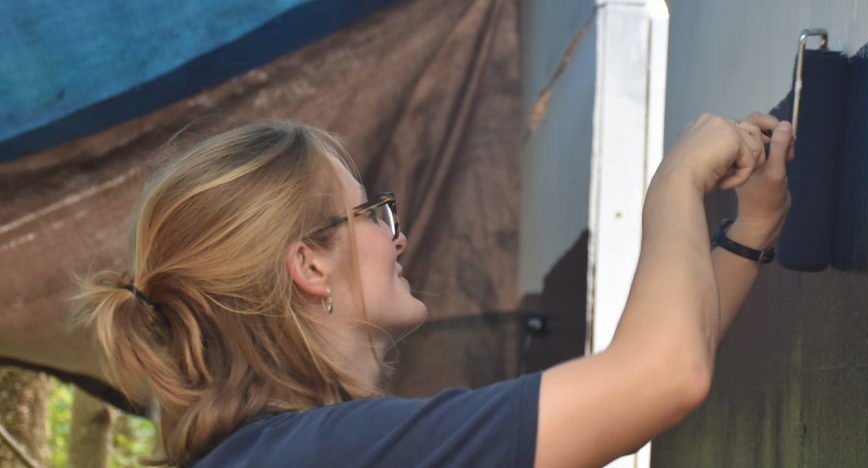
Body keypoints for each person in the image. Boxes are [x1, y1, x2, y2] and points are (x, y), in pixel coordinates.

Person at [72, 111, 794, 467]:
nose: (398, 236)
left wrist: (747, 231)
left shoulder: (291, 454)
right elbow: (660, 375)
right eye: (370, 212)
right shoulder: (330, 454)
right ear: (310, 266)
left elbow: (636, 387)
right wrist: (677, 183)